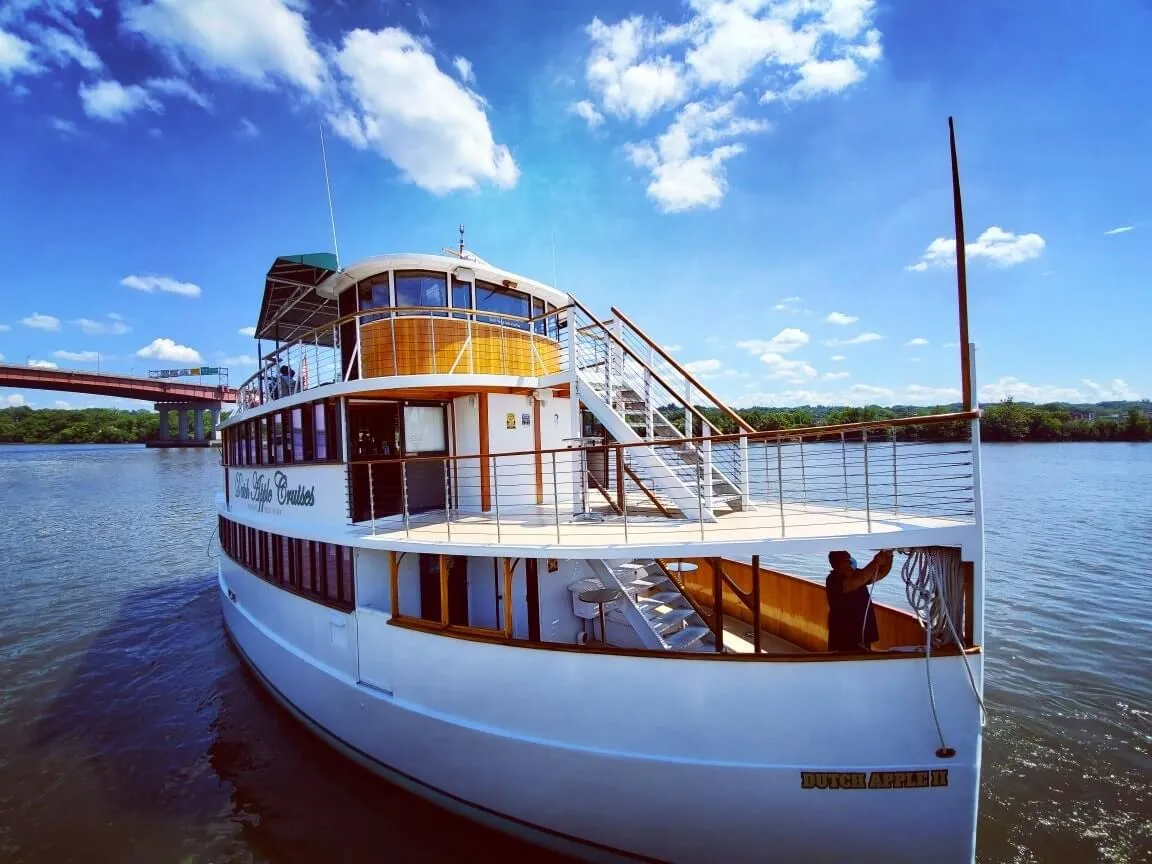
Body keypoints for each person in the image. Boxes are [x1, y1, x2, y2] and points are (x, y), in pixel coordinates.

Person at [825, 549, 895, 652]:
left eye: (849, 558)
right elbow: (856, 582)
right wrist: (875, 562)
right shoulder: (833, 580)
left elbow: (881, 572)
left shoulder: (857, 574)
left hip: (862, 636)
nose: (850, 561)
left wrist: (888, 556)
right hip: (843, 638)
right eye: (846, 559)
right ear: (837, 564)